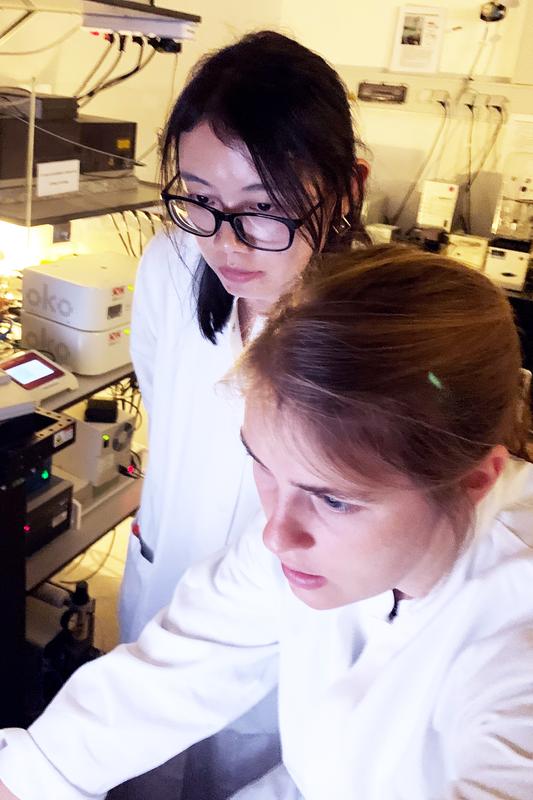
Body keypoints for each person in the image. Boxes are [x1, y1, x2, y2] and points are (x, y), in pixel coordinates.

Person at [1, 244, 533, 800]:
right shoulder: (302, 546)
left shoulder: (516, 632)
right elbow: (169, 673)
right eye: (263, 465)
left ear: (475, 480)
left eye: (335, 500)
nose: (276, 536)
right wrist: (26, 778)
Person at [119, 29, 367, 797]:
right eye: (199, 199)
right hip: (164, 597)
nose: (226, 241)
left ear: (347, 188)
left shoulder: (373, 334)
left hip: (282, 645)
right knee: (137, 768)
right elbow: (165, 397)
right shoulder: (169, 266)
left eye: (263, 207)